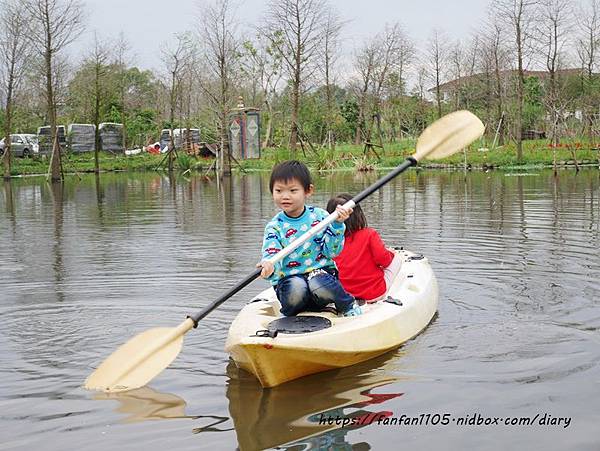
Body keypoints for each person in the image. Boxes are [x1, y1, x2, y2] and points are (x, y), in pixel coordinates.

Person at [257, 161, 362, 317]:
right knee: (296, 286)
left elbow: (332, 252)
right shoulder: (274, 227)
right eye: (279, 190)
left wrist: (338, 225)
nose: (285, 196)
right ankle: (290, 314)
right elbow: (271, 253)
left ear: (308, 191)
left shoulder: (321, 217)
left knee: (317, 282)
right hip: (291, 280)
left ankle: (347, 305)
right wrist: (269, 266)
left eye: (293, 190)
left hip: (320, 276)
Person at [326, 193, 402, 303]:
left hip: (343, 295)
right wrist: (391, 254)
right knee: (397, 259)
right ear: (358, 214)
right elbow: (384, 260)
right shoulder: (369, 234)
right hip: (372, 294)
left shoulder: (330, 241)